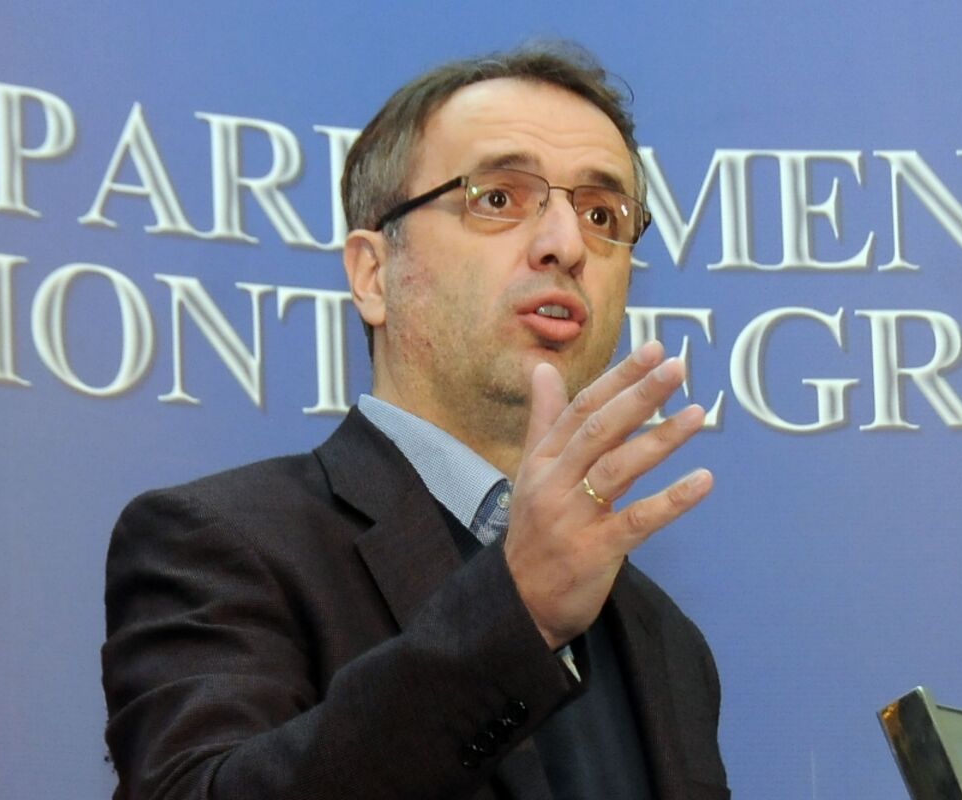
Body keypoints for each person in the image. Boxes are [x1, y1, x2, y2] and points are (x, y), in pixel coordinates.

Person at [102, 42, 729, 800]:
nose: (567, 246)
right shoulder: (218, 542)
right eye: (498, 198)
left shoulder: (666, 638)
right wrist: (517, 614)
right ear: (374, 275)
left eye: (601, 214)